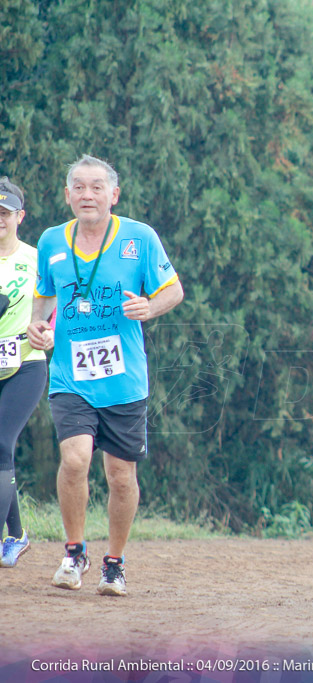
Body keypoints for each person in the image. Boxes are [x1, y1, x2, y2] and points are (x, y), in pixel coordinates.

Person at [27, 155, 184, 596]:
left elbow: (173, 290)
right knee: (75, 459)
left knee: (120, 475)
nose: (87, 195)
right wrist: (37, 326)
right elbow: (44, 296)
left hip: (124, 379)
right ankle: (74, 553)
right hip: (70, 375)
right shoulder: (51, 241)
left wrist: (149, 307)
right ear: (67, 195)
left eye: (97, 187)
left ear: (114, 195)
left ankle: (114, 564)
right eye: (78, 187)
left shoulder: (139, 238)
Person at [0, 177, 47, 568]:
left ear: (20, 216)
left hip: (26, 364)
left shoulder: (36, 258)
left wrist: (50, 331)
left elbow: (60, 304)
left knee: (1, 442)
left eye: (5, 212)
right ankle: (16, 536)